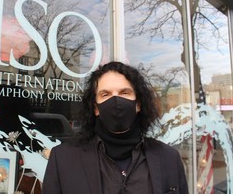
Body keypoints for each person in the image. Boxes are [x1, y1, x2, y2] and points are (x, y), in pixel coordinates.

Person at [42, 61, 188, 194]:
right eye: (105, 94)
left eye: (125, 93)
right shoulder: (62, 159)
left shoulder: (169, 158)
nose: (116, 101)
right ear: (96, 108)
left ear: (138, 104)